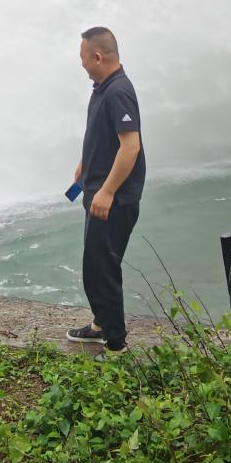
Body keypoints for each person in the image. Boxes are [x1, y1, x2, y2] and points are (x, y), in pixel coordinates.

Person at [66, 27, 146, 354]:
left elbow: (131, 148)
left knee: (102, 270)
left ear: (97, 57)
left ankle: (116, 345)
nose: (82, 65)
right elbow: (103, 134)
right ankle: (100, 325)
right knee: (94, 265)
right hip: (97, 191)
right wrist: (85, 163)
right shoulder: (102, 88)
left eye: (84, 58)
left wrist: (108, 192)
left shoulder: (118, 91)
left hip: (113, 200)